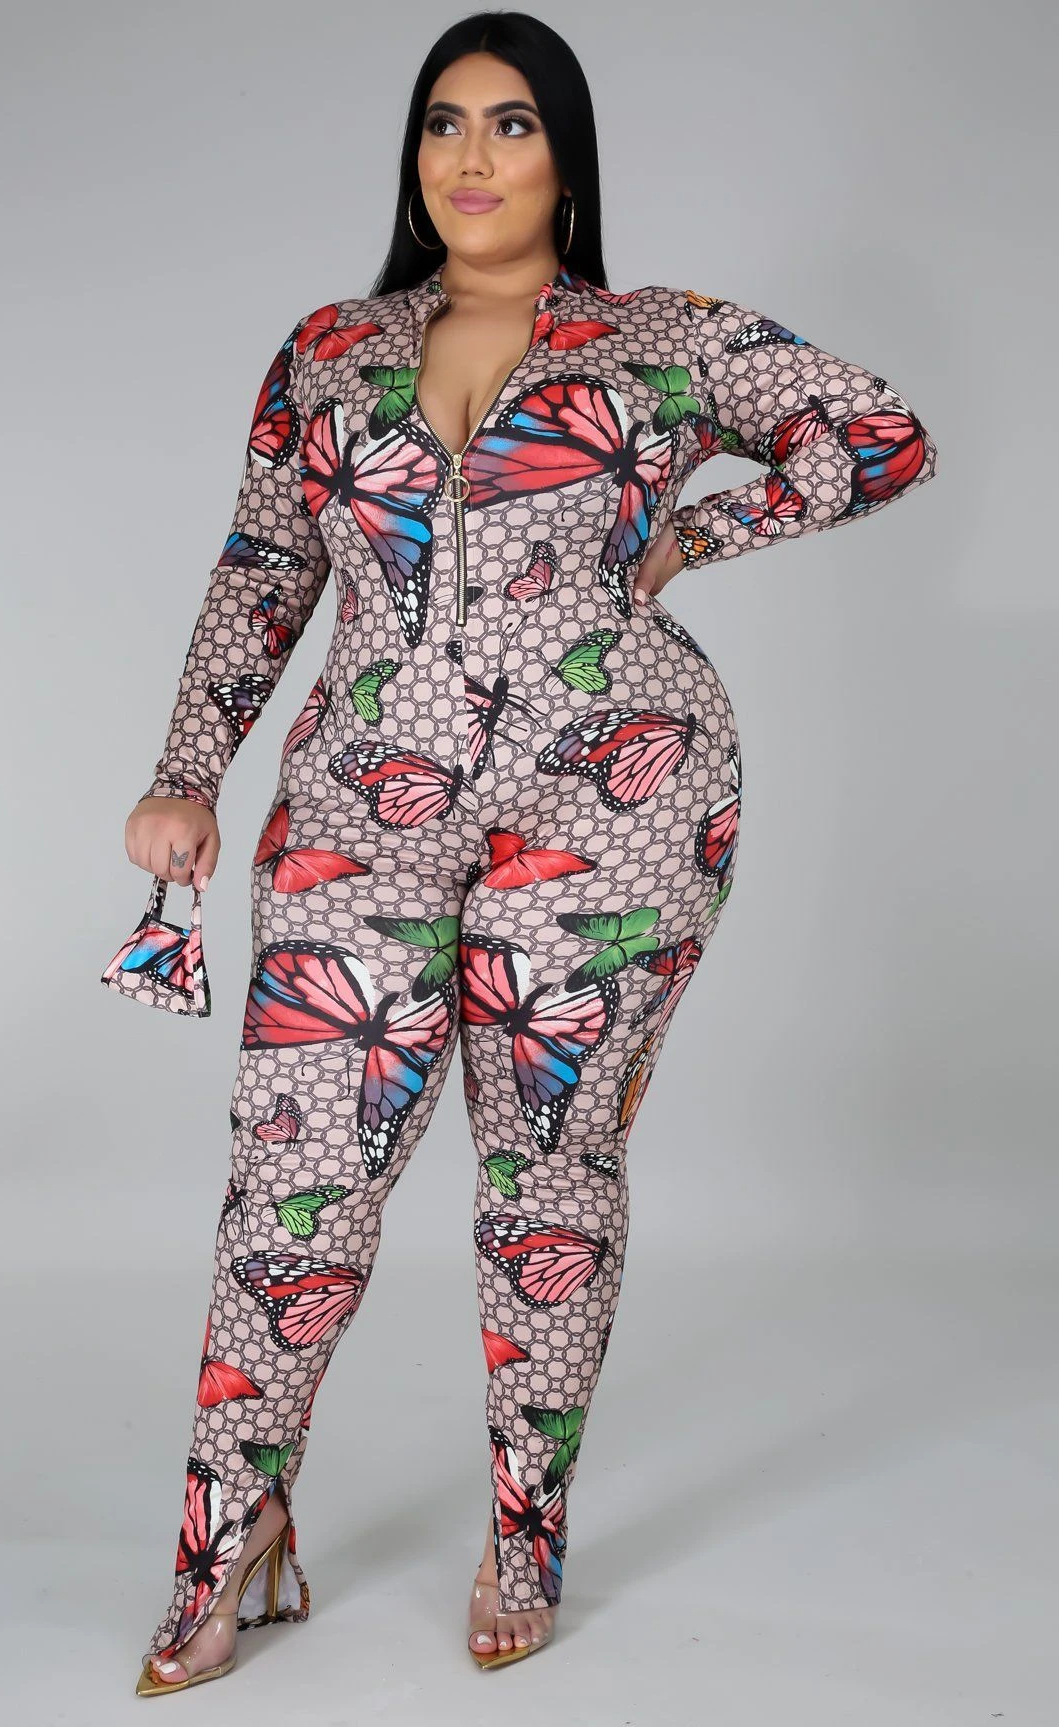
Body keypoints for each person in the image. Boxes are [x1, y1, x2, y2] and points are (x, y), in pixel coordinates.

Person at [125, 10, 938, 1695]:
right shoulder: (329, 352)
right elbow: (263, 571)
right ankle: (228, 1528)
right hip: (356, 819)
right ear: (413, 155)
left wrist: (690, 534)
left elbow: (880, 434)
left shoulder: (658, 339)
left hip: (617, 819)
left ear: (566, 154)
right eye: (444, 124)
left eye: (511, 123)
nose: (472, 157)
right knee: (295, 1183)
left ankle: (525, 1530)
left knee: (547, 1183)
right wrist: (186, 774)